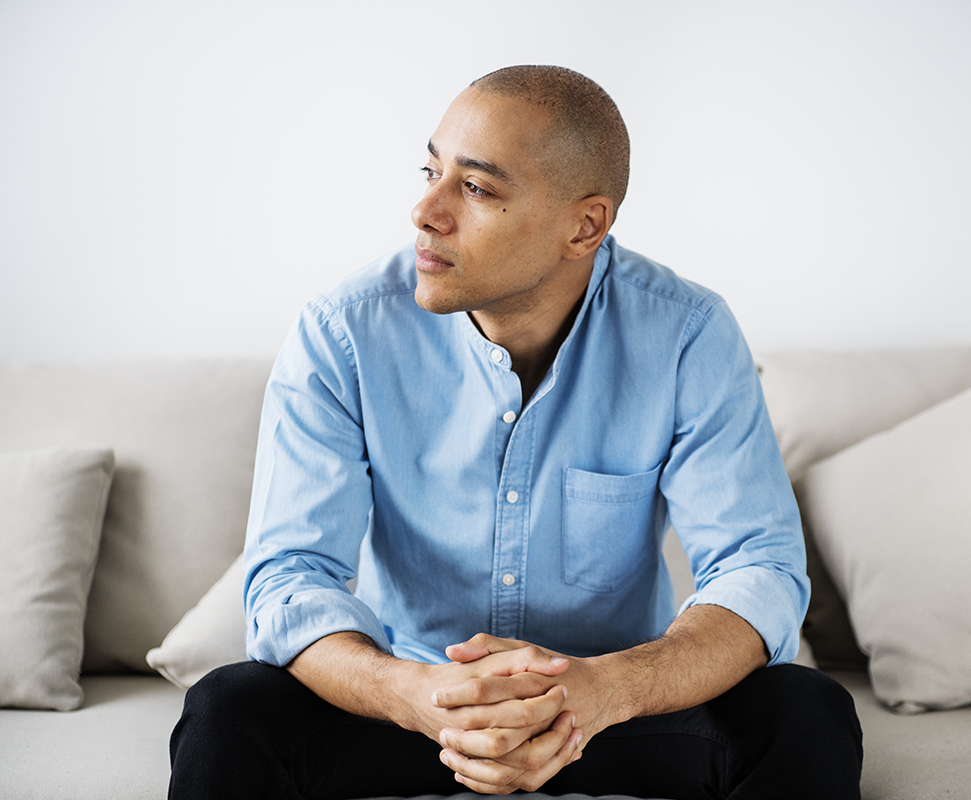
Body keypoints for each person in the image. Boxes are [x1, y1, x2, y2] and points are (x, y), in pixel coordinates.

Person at [169, 65, 862, 799]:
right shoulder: (343, 332)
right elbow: (288, 578)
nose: (424, 211)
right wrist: (414, 693)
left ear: (584, 225)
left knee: (808, 713)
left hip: (605, 709)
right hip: (416, 710)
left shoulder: (688, 333)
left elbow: (758, 571)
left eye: (475, 188)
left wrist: (604, 689)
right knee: (227, 710)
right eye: (431, 170)